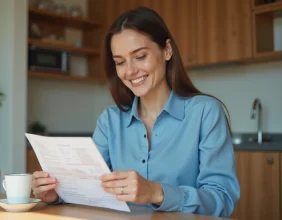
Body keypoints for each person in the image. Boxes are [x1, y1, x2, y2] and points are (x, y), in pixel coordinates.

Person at [31, 7, 240, 217]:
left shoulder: (205, 112)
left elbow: (222, 199)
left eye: (140, 56)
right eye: (120, 62)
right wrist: (56, 194)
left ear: (167, 50)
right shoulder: (110, 121)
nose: (129, 71)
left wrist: (157, 192)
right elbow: (89, 189)